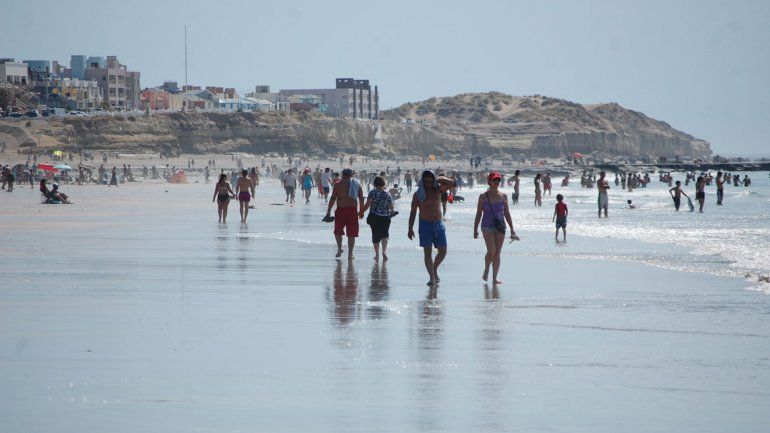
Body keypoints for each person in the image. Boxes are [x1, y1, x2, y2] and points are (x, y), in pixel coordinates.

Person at [408, 170, 456, 286]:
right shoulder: (418, 195)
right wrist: (410, 228)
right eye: (426, 182)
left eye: (431, 181)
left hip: (438, 224)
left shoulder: (438, 190)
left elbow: (452, 183)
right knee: (427, 253)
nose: (428, 184)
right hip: (425, 225)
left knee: (443, 251)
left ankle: (434, 269)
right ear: (422, 182)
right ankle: (432, 278)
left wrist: (439, 179)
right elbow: (413, 213)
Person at [473, 172, 518, 284]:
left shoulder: (503, 196)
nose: (497, 182)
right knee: (491, 251)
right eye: (494, 180)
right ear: (489, 182)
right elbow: (478, 214)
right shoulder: (483, 196)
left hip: (500, 226)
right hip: (487, 226)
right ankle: (487, 268)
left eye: (498, 180)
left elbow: (507, 213)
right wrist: (475, 229)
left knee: (497, 252)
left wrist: (512, 229)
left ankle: (494, 278)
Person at [325, 168, 365, 259]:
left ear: (342, 175)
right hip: (352, 211)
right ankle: (350, 254)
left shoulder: (338, 185)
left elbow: (332, 198)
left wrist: (328, 211)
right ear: (351, 175)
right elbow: (361, 198)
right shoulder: (356, 184)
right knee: (351, 234)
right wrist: (361, 211)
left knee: (338, 231)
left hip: (341, 210)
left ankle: (339, 249)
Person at [360, 176, 395, 261]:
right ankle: (384, 251)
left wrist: (361, 212)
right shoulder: (387, 194)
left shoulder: (372, 193)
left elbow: (368, 204)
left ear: (375, 184)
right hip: (386, 218)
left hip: (375, 217)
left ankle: (377, 254)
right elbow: (391, 208)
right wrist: (392, 212)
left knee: (375, 235)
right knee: (385, 235)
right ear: (383, 183)